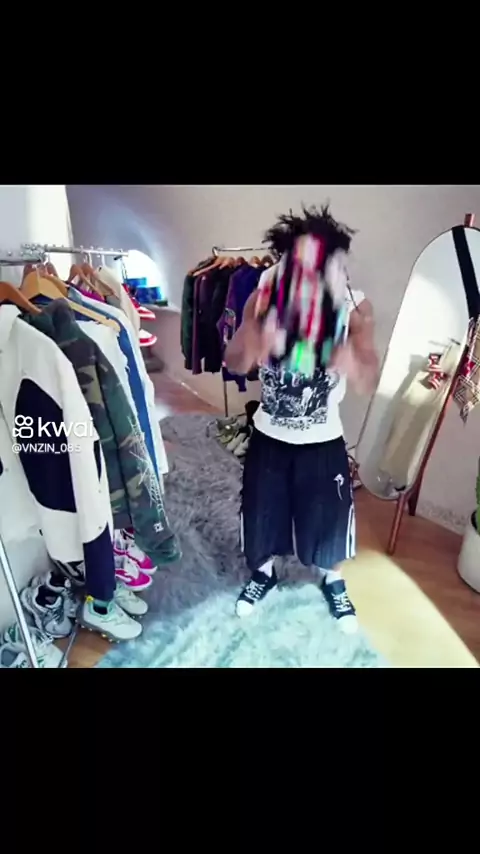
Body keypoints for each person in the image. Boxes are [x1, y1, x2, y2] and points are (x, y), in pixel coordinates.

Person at [224, 205, 379, 633]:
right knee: (262, 513)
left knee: (329, 520)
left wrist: (353, 361)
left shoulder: (354, 306)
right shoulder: (264, 293)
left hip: (323, 439)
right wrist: (254, 341)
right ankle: (264, 574)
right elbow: (234, 361)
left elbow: (369, 378)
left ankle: (333, 581)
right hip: (269, 435)